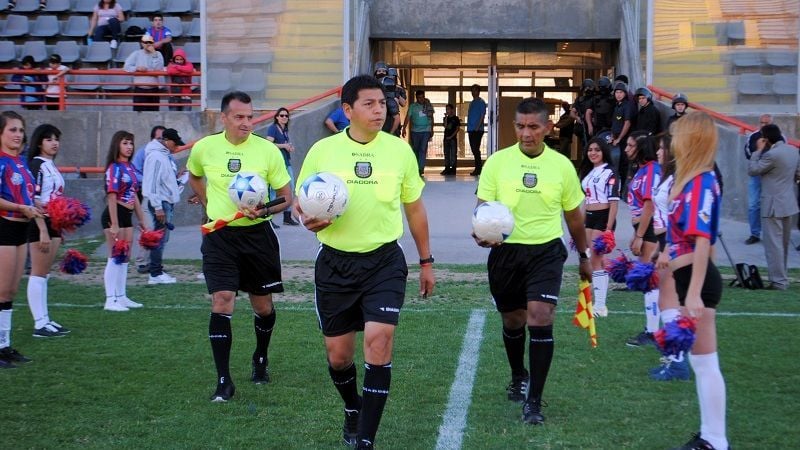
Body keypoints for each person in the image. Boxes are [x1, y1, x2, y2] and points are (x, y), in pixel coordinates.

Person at [294, 75, 435, 449]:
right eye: (369, 103)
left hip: (384, 263)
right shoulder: (323, 151)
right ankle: (352, 407)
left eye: (382, 103)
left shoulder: (399, 151)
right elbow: (300, 203)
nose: (379, 110)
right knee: (339, 357)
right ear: (348, 110)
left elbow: (415, 208)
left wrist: (426, 261)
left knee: (378, 341)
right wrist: (305, 219)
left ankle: (366, 440)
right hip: (335, 264)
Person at [474, 97, 590, 425]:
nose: (526, 133)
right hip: (506, 253)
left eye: (534, 127)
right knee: (514, 320)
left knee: (540, 316)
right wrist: (481, 232)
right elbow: (483, 208)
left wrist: (584, 255)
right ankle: (518, 375)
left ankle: (534, 402)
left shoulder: (562, 166)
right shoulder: (497, 163)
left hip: (546, 251)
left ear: (548, 127)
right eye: (521, 126)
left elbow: (574, 217)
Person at [186, 91, 293, 402]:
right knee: (222, 300)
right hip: (220, 236)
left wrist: (264, 209)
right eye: (239, 117)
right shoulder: (204, 148)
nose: (247, 123)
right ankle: (224, 381)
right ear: (223, 118)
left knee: (263, 307)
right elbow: (194, 176)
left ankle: (260, 356)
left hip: (257, 237)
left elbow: (286, 197)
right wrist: (208, 203)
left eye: (250, 117)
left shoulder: (267, 151)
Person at [667, 111, 728, 450]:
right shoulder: (692, 179)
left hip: (696, 282)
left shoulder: (703, 181)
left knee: (705, 364)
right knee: (701, 362)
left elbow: (703, 240)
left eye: (678, 135)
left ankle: (715, 439)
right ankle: (710, 435)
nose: (673, 142)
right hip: (690, 277)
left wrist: (694, 294)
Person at [0, 111, 43, 369]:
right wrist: (20, 207)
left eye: (20, 130)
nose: (18, 134)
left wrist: (38, 206)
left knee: (10, 291)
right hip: (4, 227)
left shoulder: (22, 162)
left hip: (21, 229)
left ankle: (4, 345)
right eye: (12, 130)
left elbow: (28, 195)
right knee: (1, 290)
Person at [26, 124, 70, 338]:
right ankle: (39, 323)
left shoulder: (50, 165)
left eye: (56, 139)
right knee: (38, 273)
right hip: (40, 222)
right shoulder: (36, 165)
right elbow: (32, 199)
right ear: (39, 143)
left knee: (45, 273)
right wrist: (42, 229)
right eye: (49, 139)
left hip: (53, 223)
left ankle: (45, 319)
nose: (54, 143)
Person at [747, 124, 800, 291]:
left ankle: (778, 281)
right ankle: (782, 277)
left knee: (774, 245)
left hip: (772, 205)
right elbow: (797, 174)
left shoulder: (771, 154)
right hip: (788, 203)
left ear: (766, 139)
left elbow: (753, 170)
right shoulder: (793, 151)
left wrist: (757, 151)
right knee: (783, 244)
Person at [102, 130, 148, 312]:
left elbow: (134, 195)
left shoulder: (130, 167)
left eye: (131, 143)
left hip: (127, 215)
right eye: (125, 143)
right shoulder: (114, 167)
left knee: (125, 257)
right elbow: (111, 196)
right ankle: (110, 299)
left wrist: (142, 219)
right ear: (117, 145)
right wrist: (114, 223)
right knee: (114, 256)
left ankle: (121, 296)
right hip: (115, 214)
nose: (129, 147)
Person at [624, 131, 661, 347]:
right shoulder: (642, 169)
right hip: (643, 229)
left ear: (641, 147)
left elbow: (649, 205)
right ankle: (653, 329)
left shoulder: (652, 170)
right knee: (650, 279)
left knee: (651, 279)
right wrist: (635, 233)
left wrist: (639, 235)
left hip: (651, 229)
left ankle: (653, 331)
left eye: (631, 145)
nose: (626, 149)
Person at [577, 137, 619, 318]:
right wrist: (580, 224)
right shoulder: (588, 172)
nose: (593, 153)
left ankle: (600, 306)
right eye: (590, 150)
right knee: (593, 258)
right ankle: (597, 301)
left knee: (596, 259)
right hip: (589, 218)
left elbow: (614, 202)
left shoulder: (610, 172)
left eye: (597, 150)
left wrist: (609, 228)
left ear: (604, 152)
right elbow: (586, 200)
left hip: (603, 217)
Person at [142, 128, 184, 285]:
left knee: (161, 239)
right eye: (175, 143)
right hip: (161, 202)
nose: (177, 147)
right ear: (167, 141)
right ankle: (155, 273)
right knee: (158, 239)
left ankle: (157, 271)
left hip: (164, 201)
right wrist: (158, 207)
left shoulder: (162, 156)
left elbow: (162, 181)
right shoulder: (157, 157)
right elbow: (152, 184)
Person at [265, 107, 300, 226]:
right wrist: (284, 146)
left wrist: (288, 147)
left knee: (290, 188)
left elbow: (283, 145)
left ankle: (287, 217)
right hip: (276, 163)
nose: (284, 117)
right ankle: (269, 218)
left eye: (286, 115)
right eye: (282, 115)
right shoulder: (273, 128)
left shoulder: (285, 130)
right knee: (273, 191)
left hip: (286, 162)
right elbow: (268, 144)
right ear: (277, 117)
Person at [743, 114, 773, 245]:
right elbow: (747, 153)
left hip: (772, 175)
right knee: (753, 205)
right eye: (762, 122)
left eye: (767, 123)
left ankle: (771, 234)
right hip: (756, 175)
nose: (764, 125)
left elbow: (782, 154)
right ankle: (754, 234)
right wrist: (759, 153)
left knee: (771, 205)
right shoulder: (753, 136)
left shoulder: (778, 136)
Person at [123, 34, 164, 112]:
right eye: (146, 42)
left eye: (150, 42)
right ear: (142, 43)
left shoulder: (158, 54)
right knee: (138, 113)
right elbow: (126, 66)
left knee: (154, 113)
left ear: (153, 43)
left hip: (154, 89)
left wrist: (154, 54)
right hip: (140, 89)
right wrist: (137, 68)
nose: (148, 44)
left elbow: (158, 68)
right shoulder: (136, 53)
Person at [402, 90, 434, 176]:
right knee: (416, 149)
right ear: (416, 98)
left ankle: (421, 168)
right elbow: (407, 117)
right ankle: (415, 167)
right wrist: (404, 128)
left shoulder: (428, 105)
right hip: (415, 131)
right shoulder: (413, 106)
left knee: (423, 149)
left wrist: (432, 129)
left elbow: (432, 117)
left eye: (422, 97)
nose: (421, 99)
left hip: (426, 130)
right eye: (419, 97)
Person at [610, 81, 634, 186]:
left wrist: (619, 138)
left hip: (624, 139)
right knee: (616, 164)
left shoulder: (627, 105)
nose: (618, 95)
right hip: (615, 139)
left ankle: (624, 189)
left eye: (621, 92)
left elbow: (627, 123)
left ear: (625, 94)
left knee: (624, 164)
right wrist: (612, 136)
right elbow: (615, 123)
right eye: (617, 92)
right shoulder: (617, 106)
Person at [466, 84, 487, 176]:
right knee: (474, 149)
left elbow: (482, 115)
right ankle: (478, 168)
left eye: (475, 90)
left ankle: (479, 168)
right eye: (472, 91)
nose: (473, 92)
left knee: (475, 149)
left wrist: (477, 128)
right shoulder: (472, 103)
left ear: (478, 92)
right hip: (471, 129)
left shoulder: (481, 102)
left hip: (477, 130)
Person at [441, 103, 460, 175]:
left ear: (452, 110)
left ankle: (453, 169)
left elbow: (457, 129)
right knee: (446, 153)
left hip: (453, 139)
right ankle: (447, 168)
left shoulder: (456, 118)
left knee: (453, 154)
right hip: (446, 138)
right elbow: (445, 126)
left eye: (448, 109)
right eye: (446, 109)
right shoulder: (445, 118)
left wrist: (451, 136)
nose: (447, 110)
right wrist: (446, 117)